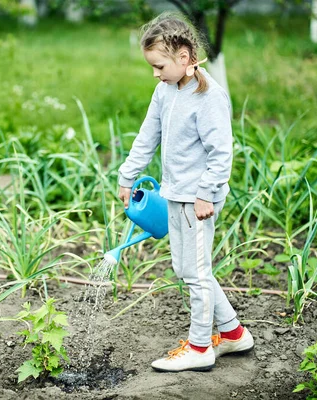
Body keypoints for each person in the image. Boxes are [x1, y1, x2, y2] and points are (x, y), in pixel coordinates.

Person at [117, 13, 254, 372]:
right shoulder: (165, 90)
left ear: (183, 56)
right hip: (176, 194)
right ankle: (233, 334)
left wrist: (206, 193)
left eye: (159, 65)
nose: (154, 73)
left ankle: (199, 348)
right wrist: (127, 175)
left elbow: (221, 153)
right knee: (187, 267)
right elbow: (148, 135)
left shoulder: (209, 98)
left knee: (195, 271)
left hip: (199, 200)